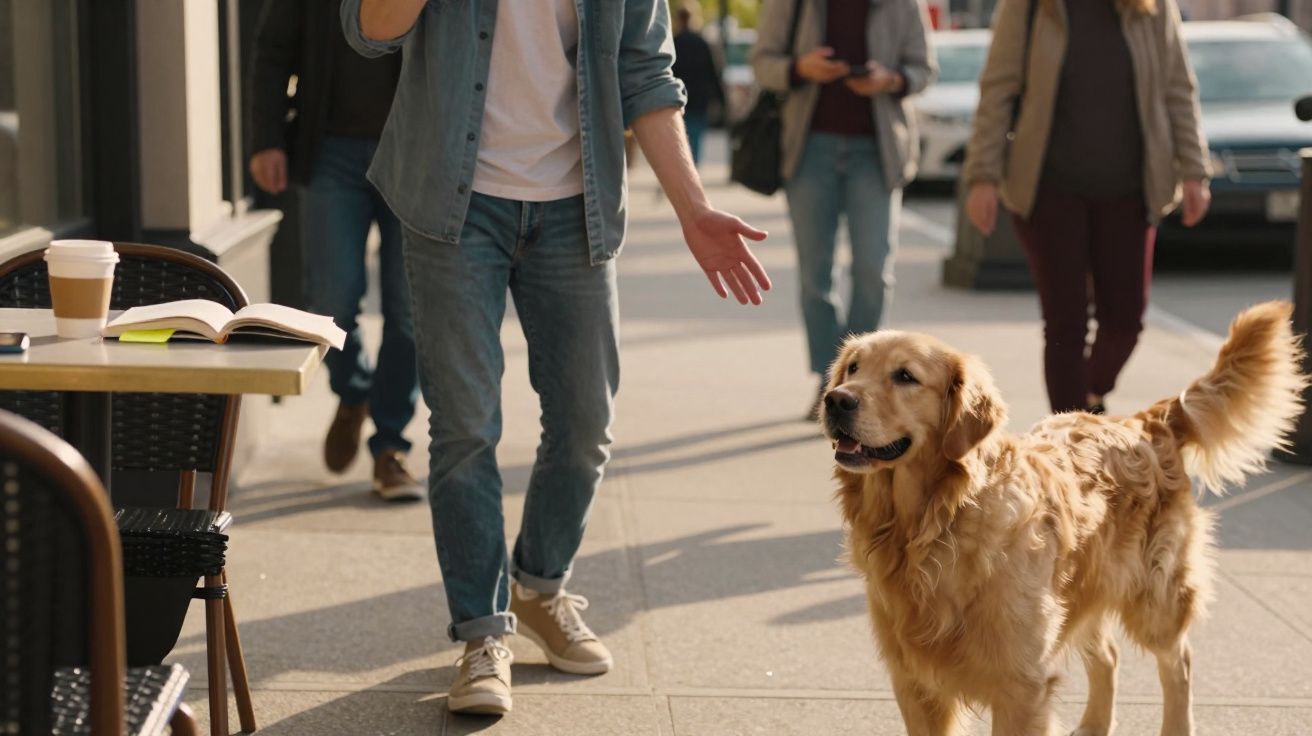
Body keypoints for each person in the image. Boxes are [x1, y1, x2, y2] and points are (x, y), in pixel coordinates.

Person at [342, 0, 772, 716]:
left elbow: (647, 74)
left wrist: (694, 210)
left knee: (583, 426)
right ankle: (483, 636)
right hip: (453, 199)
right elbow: (367, 30)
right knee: (467, 425)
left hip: (576, 205)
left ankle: (539, 587)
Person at [962, 0, 1211, 415]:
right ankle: (1067, 442)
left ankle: (1088, 397)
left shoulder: (1150, 7)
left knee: (1125, 321)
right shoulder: (1029, 7)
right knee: (1066, 326)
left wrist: (1195, 171)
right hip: (1050, 191)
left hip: (1130, 190)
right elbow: (998, 88)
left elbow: (1177, 88)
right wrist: (982, 176)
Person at [248, 0, 422, 501]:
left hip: (415, 151)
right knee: (331, 299)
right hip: (329, 152)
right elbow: (272, 50)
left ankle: (390, 446)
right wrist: (266, 139)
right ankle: (353, 394)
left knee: (409, 309)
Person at [751, 0, 936, 420]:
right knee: (816, 277)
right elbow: (762, 62)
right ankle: (830, 381)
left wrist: (890, 79)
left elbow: (924, 69)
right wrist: (801, 68)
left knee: (873, 270)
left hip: (877, 153)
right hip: (809, 151)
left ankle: (865, 380)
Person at [672, 2, 726, 165]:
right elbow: (713, 72)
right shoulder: (702, 43)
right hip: (699, 99)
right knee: (695, 138)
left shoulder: (673, 43)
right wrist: (721, 99)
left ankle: (679, 171)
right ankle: (692, 169)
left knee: (677, 137)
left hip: (677, 98)